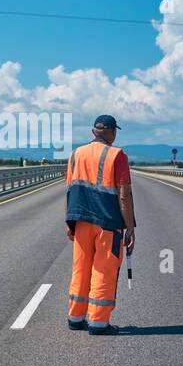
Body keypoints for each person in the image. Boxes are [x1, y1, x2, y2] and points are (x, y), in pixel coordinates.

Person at [65, 115, 136, 335]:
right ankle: (98, 322)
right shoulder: (117, 155)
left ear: (93, 131)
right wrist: (130, 226)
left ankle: (76, 318)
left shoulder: (75, 154)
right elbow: (124, 195)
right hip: (107, 223)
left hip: (81, 221)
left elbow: (70, 189)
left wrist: (69, 222)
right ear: (112, 132)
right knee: (104, 271)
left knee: (81, 269)